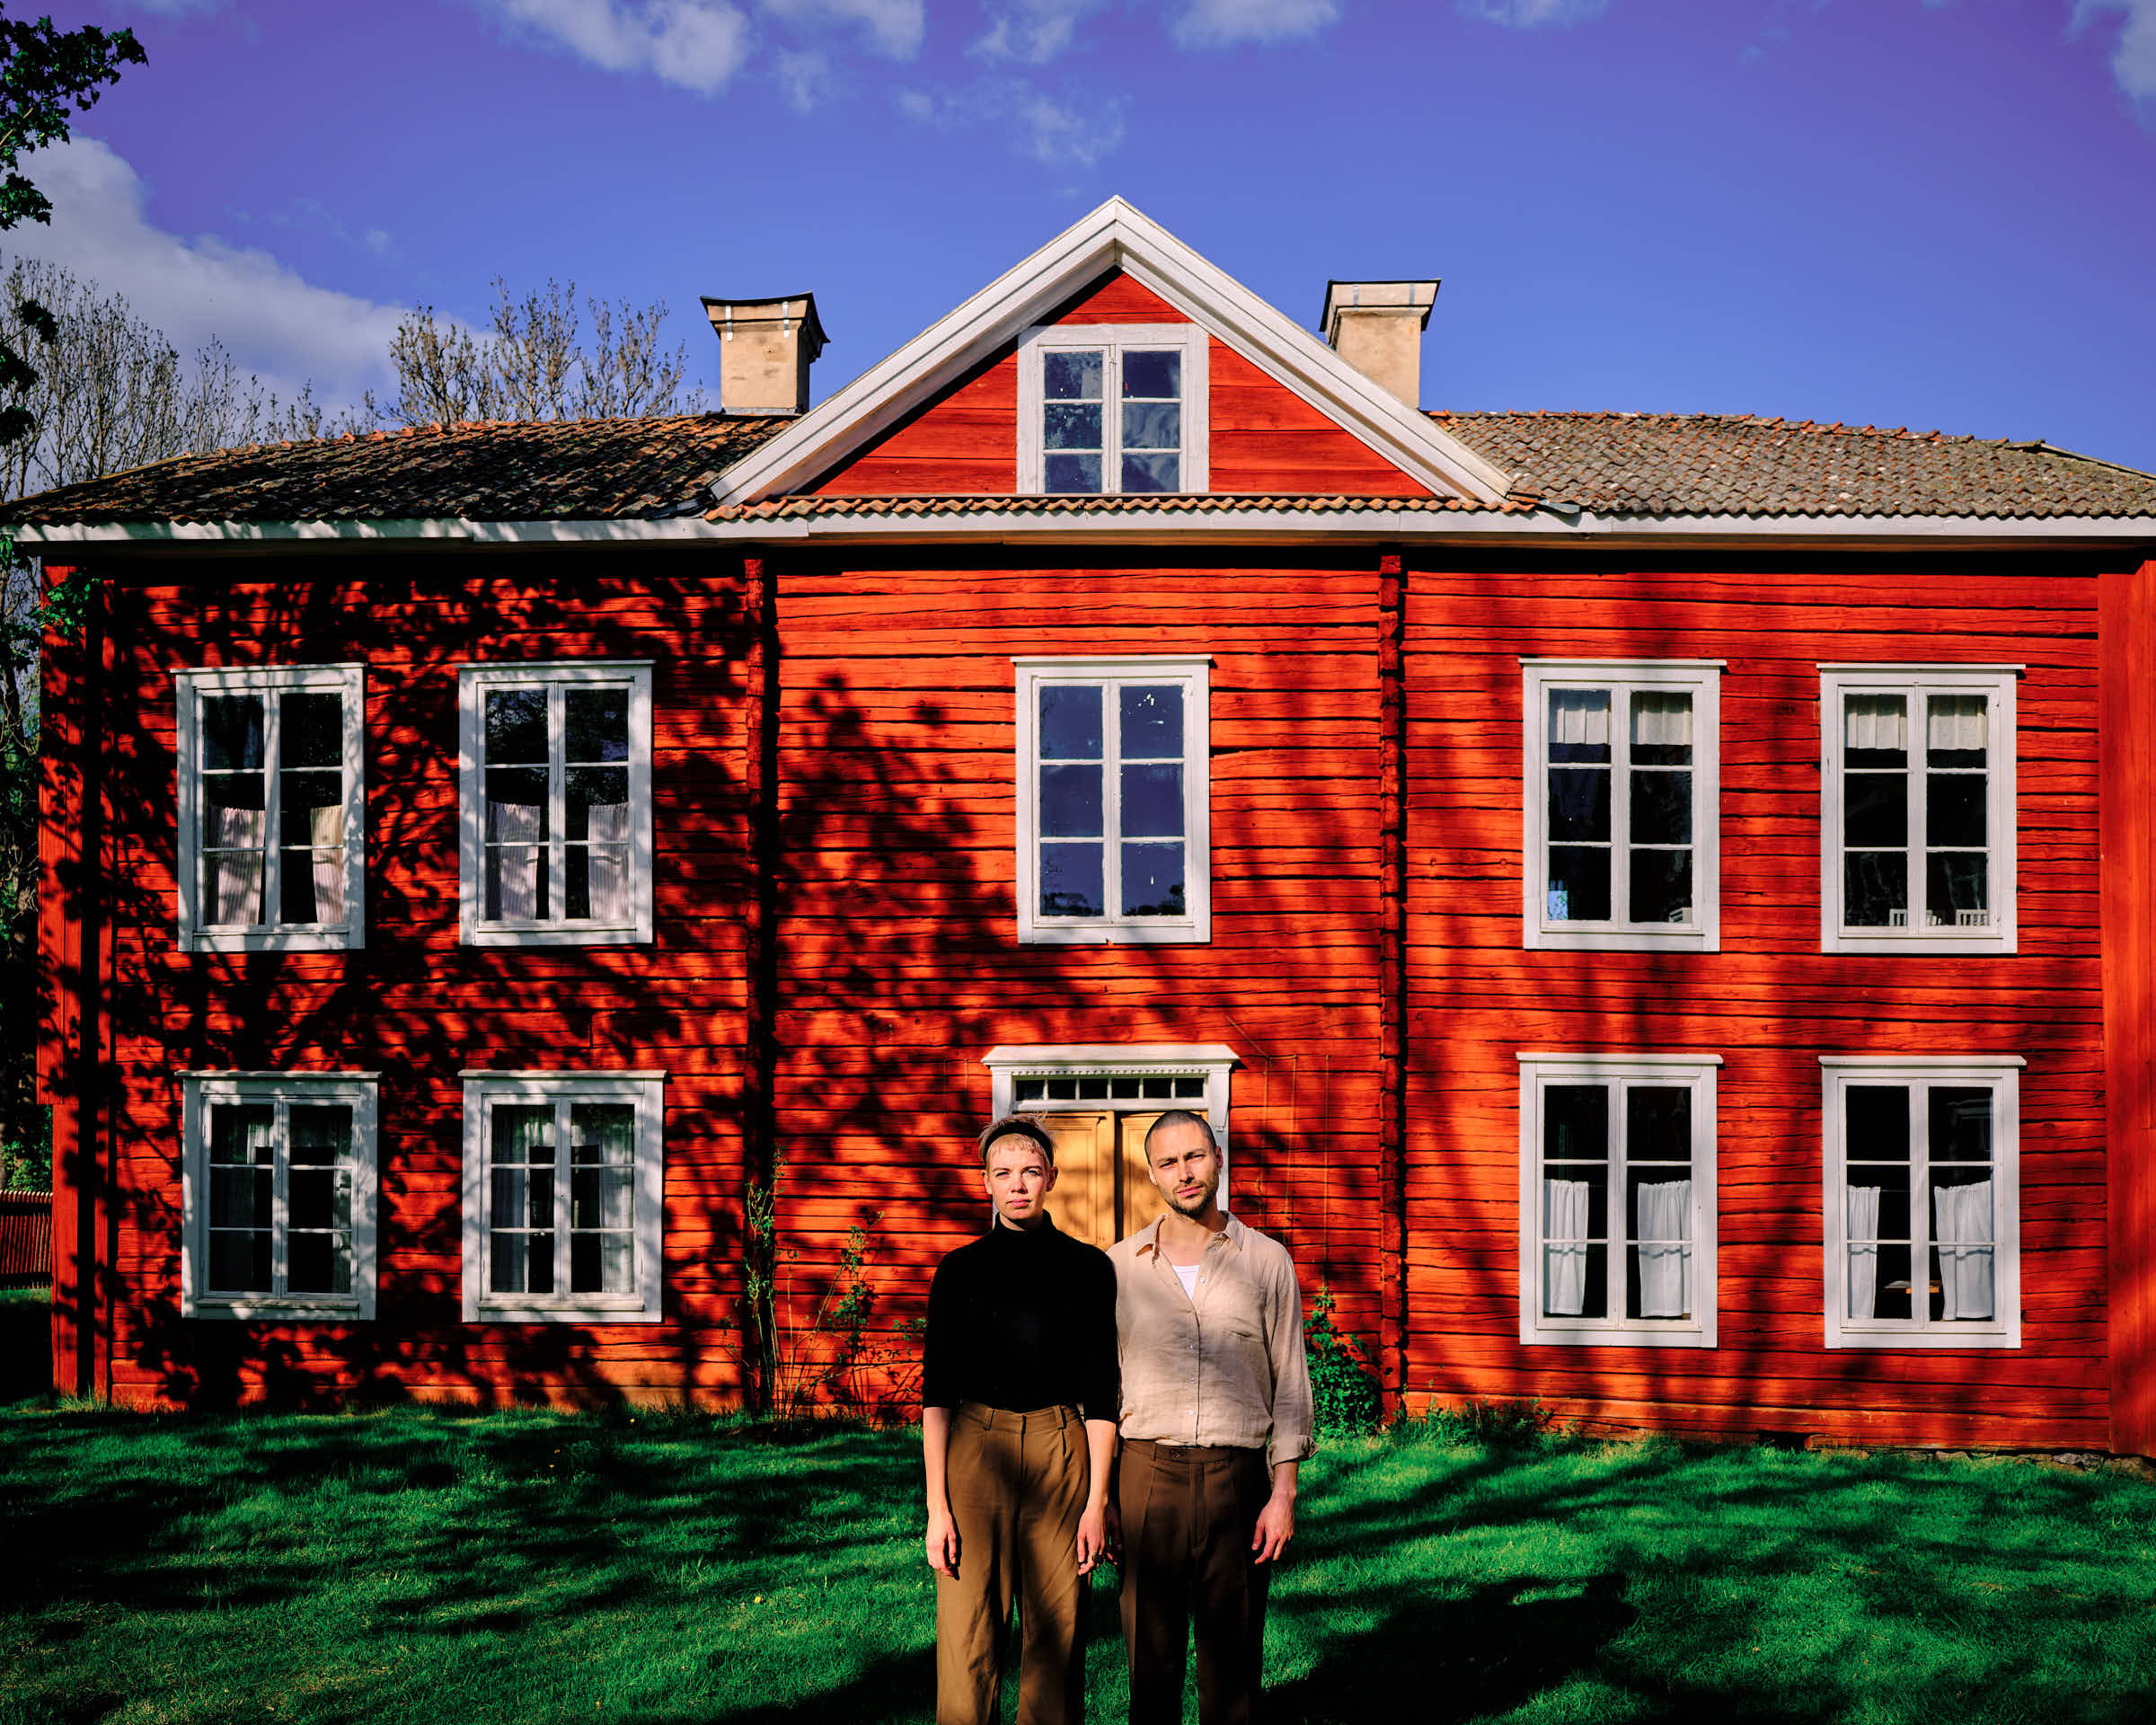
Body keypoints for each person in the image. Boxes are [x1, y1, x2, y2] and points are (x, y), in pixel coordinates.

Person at [1107, 1109, 1314, 1725]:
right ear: (1151, 1175)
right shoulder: (1119, 1266)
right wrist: (1103, 1496)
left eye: (1194, 1156)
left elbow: (1290, 1380)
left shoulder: (1268, 1261)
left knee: (1233, 1658)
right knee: (1152, 1657)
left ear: (1218, 1158)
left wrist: (1284, 1494)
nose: (1184, 1172)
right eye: (1168, 1162)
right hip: (1145, 1473)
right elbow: (1103, 1388)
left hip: (1238, 1477)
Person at [921, 1114, 1119, 1725]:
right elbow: (937, 1394)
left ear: (1052, 1178)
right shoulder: (959, 1270)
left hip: (1062, 1449)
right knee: (967, 1632)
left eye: (1030, 1171)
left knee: (1055, 1632)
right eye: (1003, 1173)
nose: (1018, 1185)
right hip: (976, 1453)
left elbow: (1101, 1389)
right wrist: (937, 1508)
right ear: (984, 1182)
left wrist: (1097, 1502)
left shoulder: (1088, 1269)